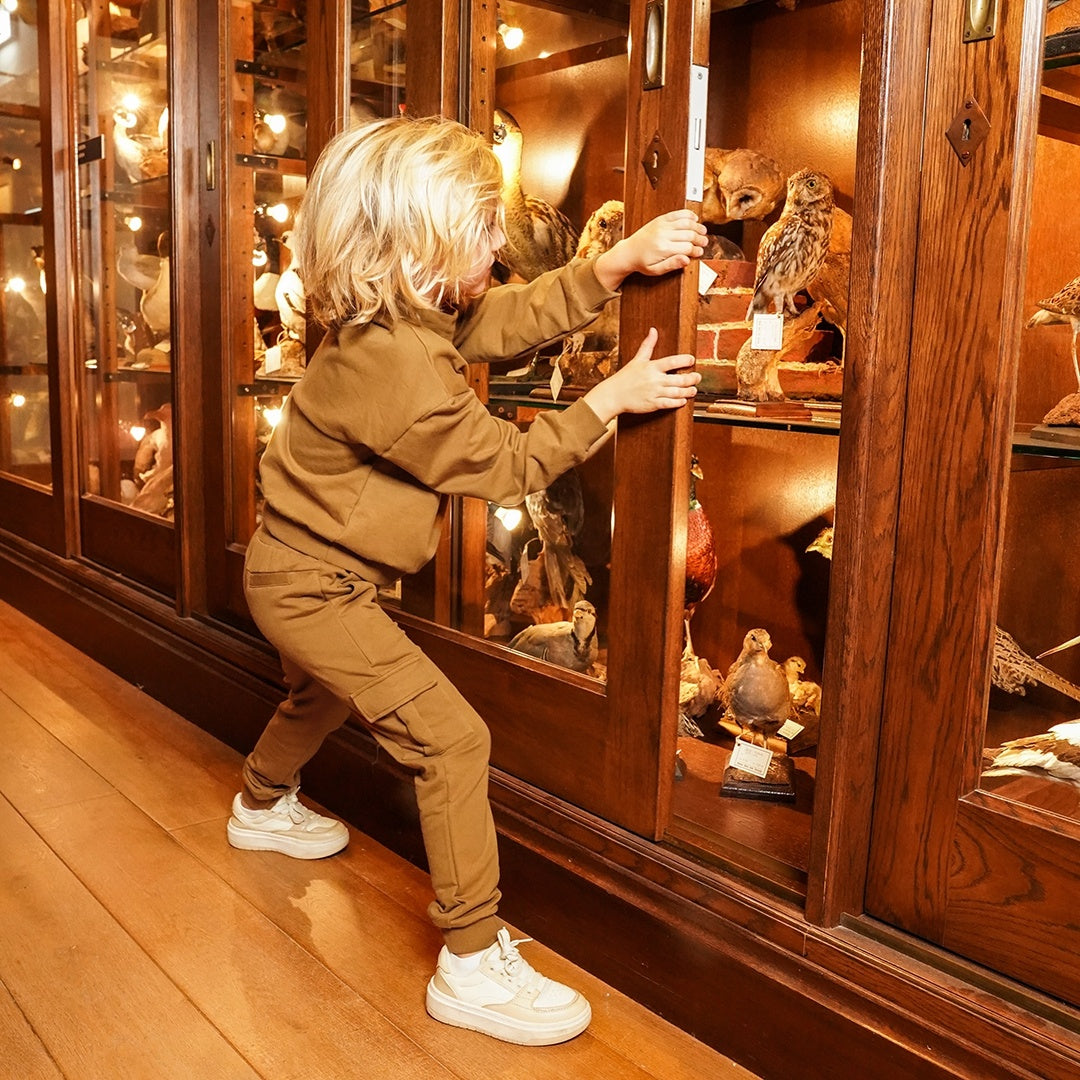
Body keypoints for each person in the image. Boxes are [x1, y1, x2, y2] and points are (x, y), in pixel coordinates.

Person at [227, 114, 706, 1047]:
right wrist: (608, 402)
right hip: (312, 585)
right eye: (482, 227)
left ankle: (259, 802)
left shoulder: (398, 318)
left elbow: (500, 318)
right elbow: (509, 465)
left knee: (320, 693)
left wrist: (610, 267)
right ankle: (471, 961)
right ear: (418, 244)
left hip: (301, 572)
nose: (499, 241)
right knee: (452, 741)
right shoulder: (397, 368)